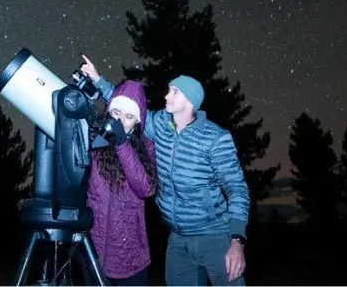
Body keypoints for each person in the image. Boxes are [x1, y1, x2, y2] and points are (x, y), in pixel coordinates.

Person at [81, 54, 250, 286]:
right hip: (177, 238)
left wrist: (236, 241)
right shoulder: (159, 125)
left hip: (214, 236)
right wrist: (98, 80)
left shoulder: (216, 138)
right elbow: (126, 105)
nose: (166, 95)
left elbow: (237, 189)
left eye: (174, 92)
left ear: (190, 101)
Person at [86, 79, 158, 286]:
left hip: (130, 251)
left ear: (137, 122)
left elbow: (145, 189)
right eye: (117, 113)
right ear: (109, 111)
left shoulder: (146, 147)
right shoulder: (93, 141)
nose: (120, 121)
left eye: (128, 117)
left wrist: (122, 144)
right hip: (94, 246)